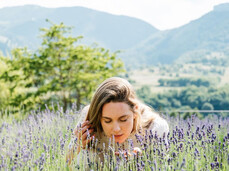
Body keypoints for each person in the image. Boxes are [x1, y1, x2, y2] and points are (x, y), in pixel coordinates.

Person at [66, 77, 169, 166]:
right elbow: (65, 164)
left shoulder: (155, 128)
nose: (116, 129)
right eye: (107, 121)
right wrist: (77, 146)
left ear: (135, 111)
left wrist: (142, 161)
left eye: (123, 119)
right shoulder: (88, 117)